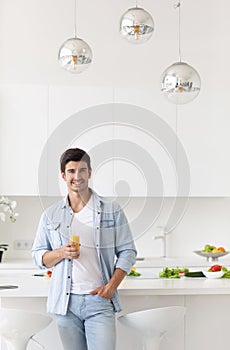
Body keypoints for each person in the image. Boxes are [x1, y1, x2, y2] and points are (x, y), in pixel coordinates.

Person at [32, 147, 137, 350]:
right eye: (71, 171)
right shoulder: (50, 215)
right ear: (63, 175)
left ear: (90, 172)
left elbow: (128, 251)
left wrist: (111, 287)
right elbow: (38, 257)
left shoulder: (112, 210)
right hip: (65, 304)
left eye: (82, 170)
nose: (77, 176)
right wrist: (61, 252)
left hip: (99, 301)